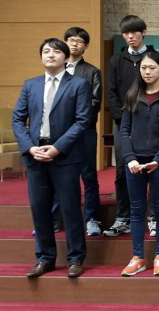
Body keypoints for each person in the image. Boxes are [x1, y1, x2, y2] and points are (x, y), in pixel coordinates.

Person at [13, 38, 91, 278]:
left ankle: (75, 259)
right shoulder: (31, 85)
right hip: (36, 156)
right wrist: (29, 148)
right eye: (46, 51)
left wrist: (57, 147)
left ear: (66, 58)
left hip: (64, 156)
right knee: (39, 209)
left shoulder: (78, 84)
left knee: (70, 209)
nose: (50, 55)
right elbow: (18, 119)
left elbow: (82, 121)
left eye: (56, 51)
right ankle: (45, 258)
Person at [119, 51, 159, 276]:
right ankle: (138, 257)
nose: (147, 72)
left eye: (152, 68)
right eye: (144, 68)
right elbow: (124, 130)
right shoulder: (132, 94)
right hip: (134, 162)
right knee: (137, 210)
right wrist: (130, 158)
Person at [105, 15, 157, 238]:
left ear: (143, 32)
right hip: (123, 125)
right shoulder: (116, 61)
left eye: (134, 32)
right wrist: (123, 120)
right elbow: (111, 94)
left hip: (151, 124)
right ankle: (122, 218)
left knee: (154, 170)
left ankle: (153, 218)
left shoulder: (154, 57)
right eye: (126, 33)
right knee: (122, 170)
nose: (130, 36)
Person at [62, 27, 103, 237]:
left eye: (79, 41)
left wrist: (76, 121)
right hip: (59, 133)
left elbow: (94, 103)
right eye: (71, 40)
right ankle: (57, 219)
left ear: (86, 46)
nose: (74, 44)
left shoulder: (92, 72)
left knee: (88, 175)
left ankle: (92, 219)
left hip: (84, 131)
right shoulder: (57, 70)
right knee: (60, 176)